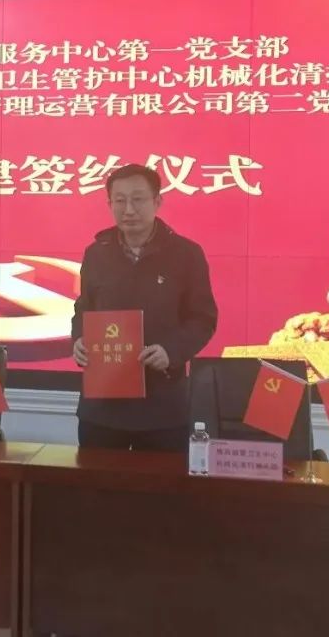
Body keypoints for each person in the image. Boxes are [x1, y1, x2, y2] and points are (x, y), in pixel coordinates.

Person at [71, 164, 218, 452]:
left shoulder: (186, 254)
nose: (129, 209)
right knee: (94, 479)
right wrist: (78, 339)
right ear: (110, 204)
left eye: (138, 199)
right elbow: (83, 308)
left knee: (161, 481)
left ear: (157, 201)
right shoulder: (96, 253)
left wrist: (171, 351)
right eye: (120, 200)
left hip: (162, 406)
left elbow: (203, 318)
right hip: (102, 406)